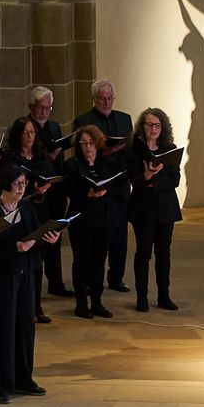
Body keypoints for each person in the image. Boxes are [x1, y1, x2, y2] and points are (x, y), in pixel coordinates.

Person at [0, 165, 61, 403]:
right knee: (3, 330)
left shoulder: (25, 207)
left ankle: (24, 379)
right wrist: (15, 247)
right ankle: (2, 386)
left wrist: (47, 239)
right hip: (1, 277)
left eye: (24, 183)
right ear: (5, 185)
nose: (22, 187)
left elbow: (33, 237)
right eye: (17, 183)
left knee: (26, 326)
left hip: (25, 273)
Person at [73, 79, 134, 294]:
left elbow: (131, 149)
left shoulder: (124, 119)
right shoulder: (83, 120)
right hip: (96, 185)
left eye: (110, 98)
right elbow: (80, 153)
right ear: (94, 99)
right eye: (102, 99)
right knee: (95, 241)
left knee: (119, 238)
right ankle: (90, 279)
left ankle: (116, 278)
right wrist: (104, 152)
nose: (107, 102)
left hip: (119, 186)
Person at [64, 125, 127, 319]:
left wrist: (106, 191)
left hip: (105, 218)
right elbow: (68, 190)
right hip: (82, 219)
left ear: (97, 143)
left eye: (91, 143)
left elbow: (120, 186)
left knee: (99, 261)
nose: (88, 147)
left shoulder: (107, 164)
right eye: (83, 143)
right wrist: (87, 193)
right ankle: (81, 304)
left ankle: (97, 302)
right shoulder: (72, 165)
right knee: (82, 261)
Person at [126, 109, 183, 313]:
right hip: (143, 208)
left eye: (157, 125)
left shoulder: (170, 149)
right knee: (143, 253)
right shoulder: (134, 151)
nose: (153, 129)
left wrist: (153, 182)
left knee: (164, 253)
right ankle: (142, 298)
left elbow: (174, 179)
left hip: (165, 207)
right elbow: (135, 180)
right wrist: (148, 176)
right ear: (143, 127)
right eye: (149, 125)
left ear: (163, 128)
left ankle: (163, 296)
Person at [2, 116, 58, 323]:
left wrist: (42, 189)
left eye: (32, 132)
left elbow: (51, 177)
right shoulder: (10, 158)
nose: (30, 136)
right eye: (26, 132)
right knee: (22, 258)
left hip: (39, 210)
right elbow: (7, 183)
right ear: (18, 135)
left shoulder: (41, 157)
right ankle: (23, 307)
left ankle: (37, 307)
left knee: (37, 260)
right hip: (19, 210)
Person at [27, 86, 74, 299]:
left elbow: (60, 157)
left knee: (55, 235)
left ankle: (56, 282)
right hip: (38, 193)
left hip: (56, 190)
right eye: (40, 108)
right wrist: (48, 157)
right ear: (31, 107)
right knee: (39, 239)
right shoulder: (25, 128)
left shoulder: (54, 127)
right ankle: (35, 290)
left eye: (48, 108)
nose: (44, 113)